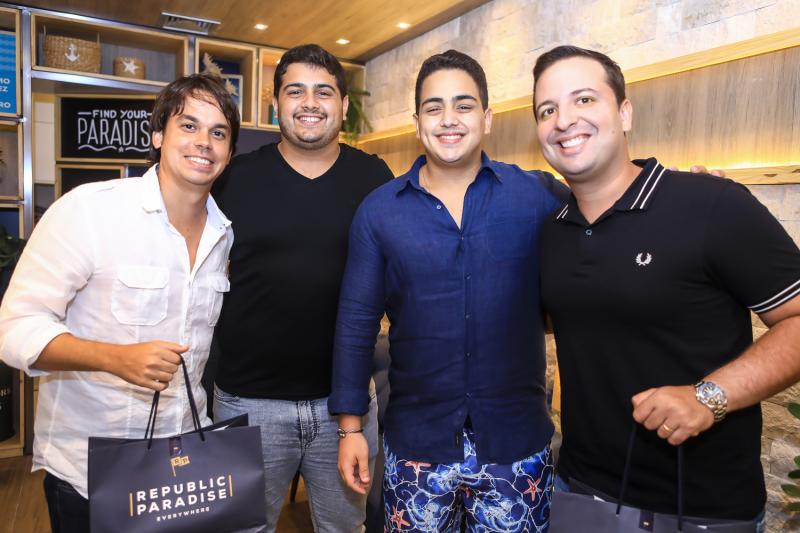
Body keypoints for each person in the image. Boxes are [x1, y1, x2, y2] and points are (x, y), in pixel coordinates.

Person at [534, 45, 800, 529]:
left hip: (701, 509)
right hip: (579, 492)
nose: (564, 120)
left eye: (584, 99)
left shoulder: (711, 204)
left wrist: (710, 396)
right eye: (547, 110)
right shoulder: (552, 230)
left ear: (625, 113)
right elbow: (566, 314)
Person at [329, 49, 567, 532]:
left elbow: (606, 222)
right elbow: (356, 323)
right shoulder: (380, 211)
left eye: (463, 105)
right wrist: (350, 428)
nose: (449, 119)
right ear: (418, 123)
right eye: (434, 107)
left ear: (487, 117)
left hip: (516, 447)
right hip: (417, 447)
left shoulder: (538, 196)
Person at [0, 73, 239, 533]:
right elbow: (14, 329)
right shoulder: (90, 211)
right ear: (158, 135)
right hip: (93, 471)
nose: (203, 142)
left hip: (182, 468)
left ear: (228, 153)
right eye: (188, 125)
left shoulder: (222, 234)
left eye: (218, 132)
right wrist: (114, 358)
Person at [210, 44, 393, 533]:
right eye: (295, 91)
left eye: (323, 92)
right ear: (276, 103)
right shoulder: (234, 178)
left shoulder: (374, 178)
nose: (310, 103)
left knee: (345, 529)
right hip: (248, 403)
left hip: (345, 407)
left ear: (343, 105)